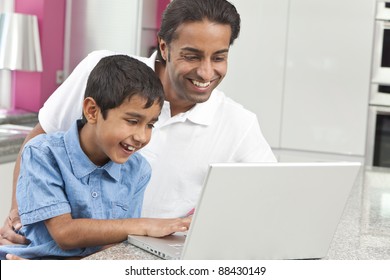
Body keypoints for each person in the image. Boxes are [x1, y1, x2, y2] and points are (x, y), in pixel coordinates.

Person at [0, 0, 276, 246]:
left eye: (219, 57)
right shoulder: (102, 70)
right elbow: (39, 140)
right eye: (191, 56)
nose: (206, 72)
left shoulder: (239, 124)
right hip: (63, 243)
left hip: (138, 251)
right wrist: (20, 217)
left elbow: (272, 196)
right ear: (165, 47)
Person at [0, 55, 190, 259]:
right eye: (132, 121)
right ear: (92, 111)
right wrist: (145, 225)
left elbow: (117, 242)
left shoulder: (138, 170)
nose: (142, 137)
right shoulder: (43, 153)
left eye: (150, 125)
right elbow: (65, 233)